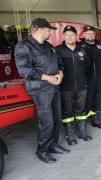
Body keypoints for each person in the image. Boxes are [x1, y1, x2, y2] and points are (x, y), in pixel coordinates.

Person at [14, 18, 70, 163]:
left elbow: (60, 64)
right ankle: (42, 151)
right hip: (40, 89)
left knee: (57, 118)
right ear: (39, 29)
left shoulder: (49, 46)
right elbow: (24, 70)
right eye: (48, 30)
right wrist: (47, 78)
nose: (50, 32)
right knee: (47, 121)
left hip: (54, 86)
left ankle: (53, 145)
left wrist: (60, 74)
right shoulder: (24, 46)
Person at [55, 25, 92, 145]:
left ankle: (82, 132)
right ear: (63, 36)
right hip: (65, 87)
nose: (70, 37)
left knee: (81, 110)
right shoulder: (57, 51)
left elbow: (87, 66)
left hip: (81, 85)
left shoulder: (83, 50)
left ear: (77, 36)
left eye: (72, 35)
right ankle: (70, 134)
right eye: (67, 35)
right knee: (67, 111)